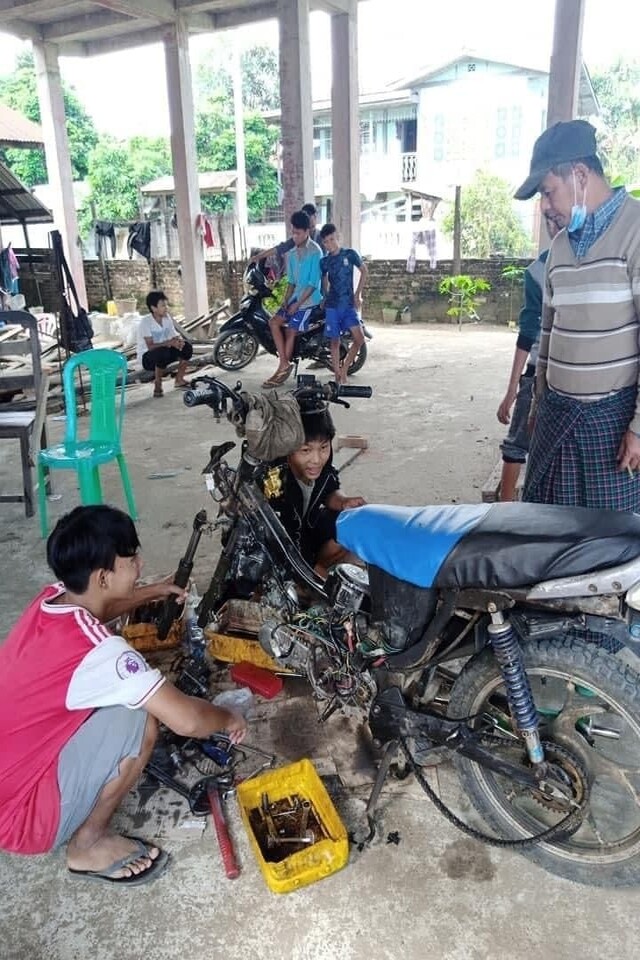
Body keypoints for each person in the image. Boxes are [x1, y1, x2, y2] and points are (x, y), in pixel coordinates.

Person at [0, 505, 246, 886]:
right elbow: (188, 720)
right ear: (102, 576)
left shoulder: (52, 599)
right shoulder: (101, 652)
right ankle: (88, 845)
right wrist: (228, 717)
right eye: (131, 559)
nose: (140, 563)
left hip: (11, 779)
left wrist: (153, 591)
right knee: (140, 715)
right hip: (22, 816)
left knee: (130, 697)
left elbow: (102, 606)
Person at [514, 119, 640, 510]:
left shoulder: (635, 230)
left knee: (608, 549)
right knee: (547, 533)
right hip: (556, 416)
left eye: (549, 192)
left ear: (581, 175)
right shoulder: (560, 249)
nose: (546, 206)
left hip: (612, 425)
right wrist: (537, 403)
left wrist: (638, 429)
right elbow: (548, 332)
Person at [496, 215, 559, 500]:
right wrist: (512, 390)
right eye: (550, 220)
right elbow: (528, 331)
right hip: (537, 374)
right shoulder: (537, 270)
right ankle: (504, 512)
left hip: (573, 376)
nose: (554, 225)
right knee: (518, 442)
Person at [260, 406, 365, 575]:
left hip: (306, 530)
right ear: (287, 449)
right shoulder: (275, 481)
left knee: (351, 525)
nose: (316, 460)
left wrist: (343, 501)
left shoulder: (321, 468)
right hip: (278, 542)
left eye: (323, 448)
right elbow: (282, 537)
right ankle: (308, 578)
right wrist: (309, 574)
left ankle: (318, 569)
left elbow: (328, 489)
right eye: (305, 450)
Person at [263, 210, 323, 388]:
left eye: (298, 233)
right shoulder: (292, 253)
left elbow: (313, 284)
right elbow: (291, 281)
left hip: (310, 301)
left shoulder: (315, 252)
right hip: (295, 298)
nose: (294, 236)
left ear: (307, 231)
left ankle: (282, 368)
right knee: (274, 322)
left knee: (290, 330)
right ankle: (284, 362)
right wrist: (286, 299)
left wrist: (297, 305)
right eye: (293, 232)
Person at [319, 223, 368, 384]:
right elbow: (324, 279)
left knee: (359, 339)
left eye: (332, 239)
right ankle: (338, 374)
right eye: (326, 241)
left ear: (337, 237)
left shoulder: (350, 254)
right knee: (334, 342)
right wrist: (324, 296)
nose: (330, 244)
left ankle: (345, 368)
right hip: (332, 306)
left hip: (348, 305)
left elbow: (364, 271)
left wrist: (357, 295)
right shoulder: (324, 261)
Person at [136, 290, 193, 398]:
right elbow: (150, 346)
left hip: (165, 352)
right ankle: (158, 384)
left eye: (166, 305)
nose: (166, 308)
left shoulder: (167, 319)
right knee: (162, 352)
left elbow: (174, 334)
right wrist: (168, 342)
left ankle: (179, 379)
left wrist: (179, 341)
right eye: (162, 306)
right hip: (148, 358)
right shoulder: (145, 322)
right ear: (153, 308)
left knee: (187, 347)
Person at [249, 202, 324, 268]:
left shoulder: (322, 239)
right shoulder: (297, 240)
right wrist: (258, 257)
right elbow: (279, 248)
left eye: (312, 223)